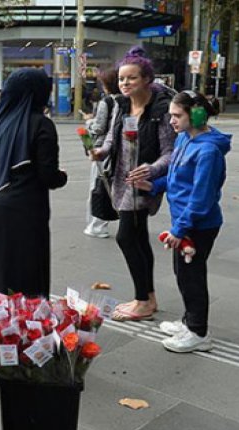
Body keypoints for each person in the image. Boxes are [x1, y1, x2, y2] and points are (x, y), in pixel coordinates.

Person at [132, 90, 230, 352]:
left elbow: (201, 196)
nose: (171, 121)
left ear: (196, 114)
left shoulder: (208, 151)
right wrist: (151, 186)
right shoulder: (185, 138)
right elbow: (177, 178)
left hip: (198, 225)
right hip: (188, 221)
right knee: (183, 273)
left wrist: (180, 229)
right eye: (170, 115)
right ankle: (189, 321)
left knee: (191, 277)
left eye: (177, 115)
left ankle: (198, 332)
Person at [90, 46, 176, 321]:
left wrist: (150, 169)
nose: (125, 84)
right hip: (120, 178)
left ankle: (142, 300)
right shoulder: (121, 105)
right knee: (137, 237)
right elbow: (112, 139)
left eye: (131, 78)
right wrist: (101, 151)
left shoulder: (160, 110)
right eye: (121, 79)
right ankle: (147, 297)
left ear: (147, 79)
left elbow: (170, 152)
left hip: (143, 183)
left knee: (127, 236)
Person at [0, 68, 68, 301]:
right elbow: (48, 175)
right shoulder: (41, 124)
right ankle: (26, 335)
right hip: (21, 214)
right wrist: (62, 177)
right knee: (25, 283)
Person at [82, 68, 119, 239]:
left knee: (97, 186)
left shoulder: (108, 102)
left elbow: (99, 127)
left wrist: (89, 122)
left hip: (102, 148)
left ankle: (97, 224)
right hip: (121, 147)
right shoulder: (128, 100)